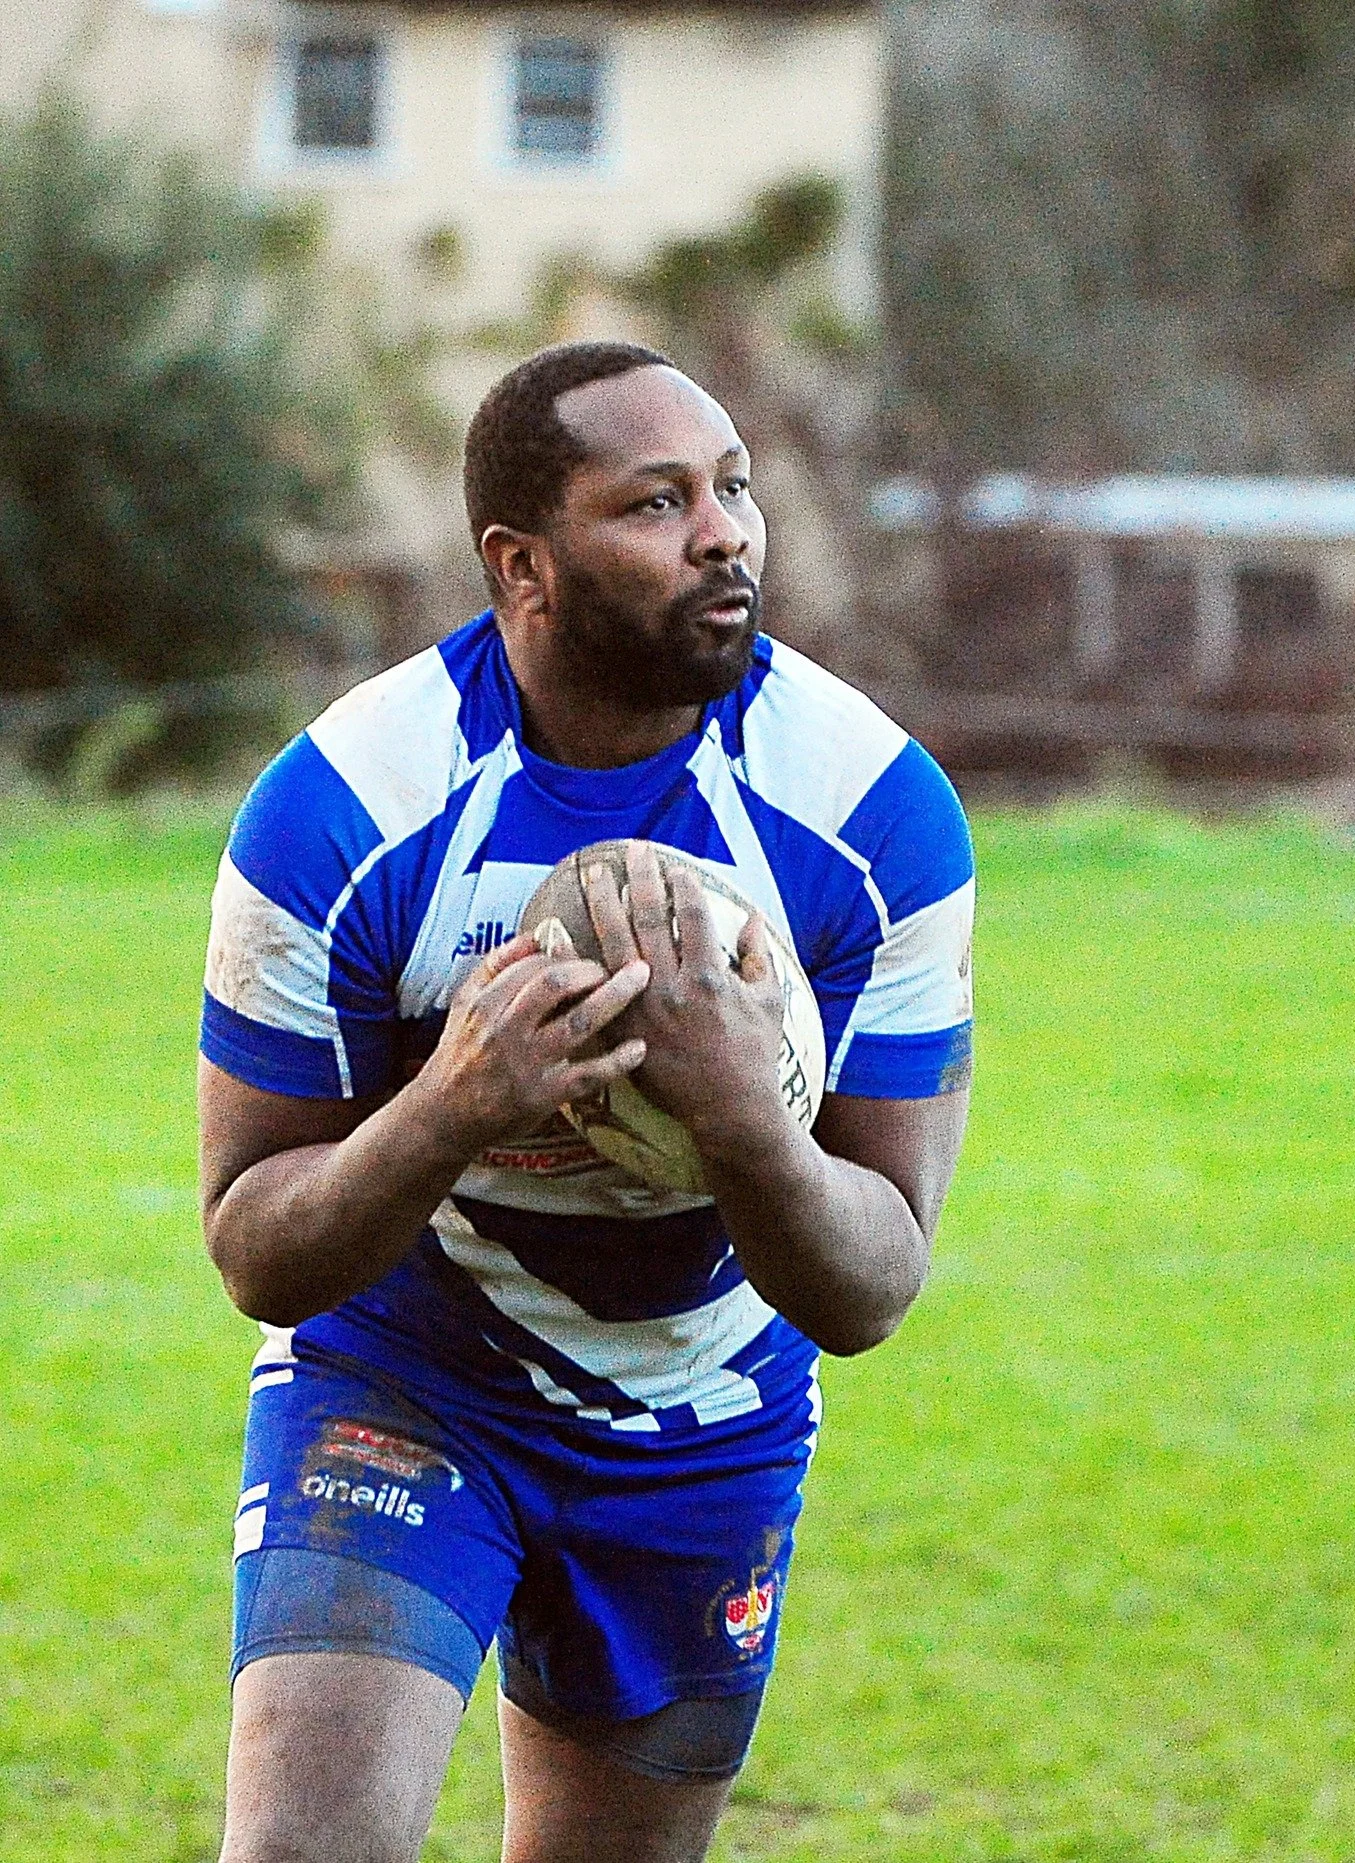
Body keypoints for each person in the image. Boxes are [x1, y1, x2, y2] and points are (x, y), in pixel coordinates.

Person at [198, 341, 974, 1863]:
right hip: (404, 1373)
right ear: (523, 563)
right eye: (657, 502)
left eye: (735, 488)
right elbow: (254, 1248)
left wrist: (742, 1112)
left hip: (703, 1419)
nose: (726, 532)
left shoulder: (873, 814)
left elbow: (876, 1279)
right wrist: (453, 1104)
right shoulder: (347, 808)